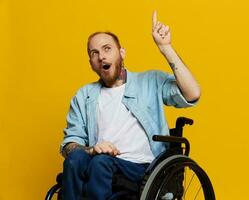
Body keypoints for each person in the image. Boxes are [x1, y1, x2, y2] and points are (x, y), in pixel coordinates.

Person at [60, 11, 201, 200]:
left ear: (122, 52)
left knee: (100, 163)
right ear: (91, 63)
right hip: (100, 167)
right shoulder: (84, 96)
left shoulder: (150, 81)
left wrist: (166, 48)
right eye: (95, 53)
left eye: (107, 48)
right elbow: (70, 144)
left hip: (142, 170)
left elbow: (192, 93)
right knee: (75, 159)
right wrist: (91, 150)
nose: (101, 56)